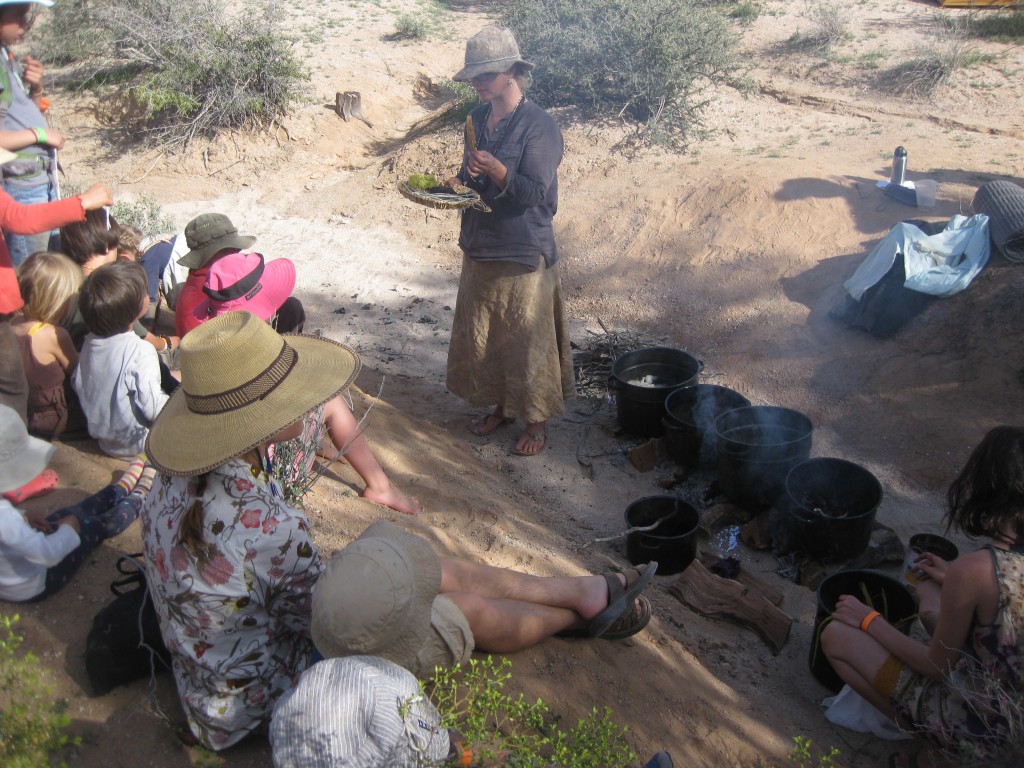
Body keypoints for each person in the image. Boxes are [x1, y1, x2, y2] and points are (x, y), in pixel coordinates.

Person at [141, 312, 656, 751]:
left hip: (208, 687)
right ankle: (572, 615)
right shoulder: (269, 526)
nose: (303, 400)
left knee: (421, 569)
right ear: (254, 420)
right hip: (266, 705)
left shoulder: (175, 482)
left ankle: (579, 593)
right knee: (454, 608)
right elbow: (331, 628)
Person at [821, 425, 1024, 767]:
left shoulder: (976, 570)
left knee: (836, 636)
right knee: (928, 593)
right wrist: (955, 580)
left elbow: (935, 666)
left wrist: (868, 620)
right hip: (1014, 715)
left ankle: (941, 750)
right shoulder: (982, 571)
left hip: (987, 735)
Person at [192, 250, 414, 513]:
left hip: (216, 457)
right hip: (264, 472)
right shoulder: (257, 356)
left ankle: (318, 444)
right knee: (331, 403)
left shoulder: (211, 349)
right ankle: (380, 487)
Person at [445, 25, 574, 457]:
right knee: (489, 337)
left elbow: (535, 193)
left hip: (523, 251)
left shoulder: (541, 126)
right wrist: (458, 181)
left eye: (487, 75)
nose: (479, 84)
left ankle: (535, 422)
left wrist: (499, 170)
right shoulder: (478, 120)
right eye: (475, 77)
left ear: (512, 73)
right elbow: (473, 178)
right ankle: (500, 406)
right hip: (481, 244)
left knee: (525, 340)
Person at [0, 141, 112, 426]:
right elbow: (81, 376)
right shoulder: (54, 333)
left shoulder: (16, 325)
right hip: (56, 419)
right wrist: (83, 202)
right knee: (12, 390)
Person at [0, 404, 154, 602]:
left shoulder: (7, 518)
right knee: (90, 527)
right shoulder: (6, 520)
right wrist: (69, 530)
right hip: (35, 582)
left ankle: (121, 488)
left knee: (72, 512)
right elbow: (46, 555)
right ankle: (138, 497)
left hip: (16, 565)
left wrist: (23, 517)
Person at [72, 260, 169, 460]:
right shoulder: (140, 350)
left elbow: (77, 382)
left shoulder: (89, 342)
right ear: (136, 308)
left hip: (105, 441)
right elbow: (152, 408)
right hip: (139, 443)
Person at [60, 209, 181, 356]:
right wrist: (168, 342)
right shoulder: (107, 287)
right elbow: (146, 338)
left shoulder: (61, 278)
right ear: (107, 247)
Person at [0, 0, 65, 267]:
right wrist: (40, 134)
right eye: (19, 17)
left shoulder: (6, 57)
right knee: (31, 273)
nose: (25, 26)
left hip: (37, 178)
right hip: (22, 186)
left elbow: (17, 117)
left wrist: (35, 90)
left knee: (43, 266)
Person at [174, 211, 308, 338]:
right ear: (216, 253)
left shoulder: (203, 278)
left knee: (290, 307)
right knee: (290, 309)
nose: (237, 251)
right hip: (221, 352)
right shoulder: (217, 285)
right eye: (233, 248)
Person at [11, 250, 83, 437]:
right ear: (58, 302)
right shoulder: (53, 335)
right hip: (50, 418)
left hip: (19, 410)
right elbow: (78, 372)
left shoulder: (11, 325)